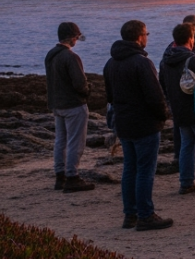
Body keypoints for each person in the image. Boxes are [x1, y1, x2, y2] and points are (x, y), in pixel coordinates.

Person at [103, 20, 172, 231]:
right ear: (140, 36)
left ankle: (130, 214)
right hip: (144, 124)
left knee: (130, 169)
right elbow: (155, 95)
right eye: (146, 34)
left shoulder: (111, 63)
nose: (147, 37)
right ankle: (145, 215)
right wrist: (163, 115)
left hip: (124, 123)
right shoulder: (141, 63)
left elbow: (110, 96)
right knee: (144, 170)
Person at [158, 23, 195, 196]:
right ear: (191, 39)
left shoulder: (165, 60)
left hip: (178, 109)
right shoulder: (194, 60)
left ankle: (186, 182)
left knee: (186, 146)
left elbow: (163, 85)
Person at [45, 21, 94, 193]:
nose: (77, 40)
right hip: (73, 105)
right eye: (77, 37)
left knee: (60, 141)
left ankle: (60, 176)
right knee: (75, 142)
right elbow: (80, 84)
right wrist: (88, 90)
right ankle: (72, 176)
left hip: (57, 104)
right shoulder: (71, 57)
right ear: (73, 37)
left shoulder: (51, 54)